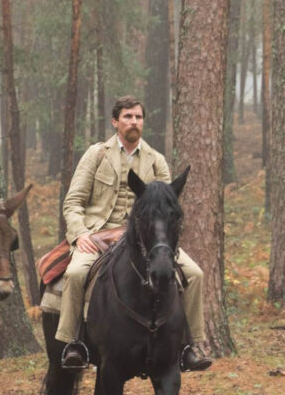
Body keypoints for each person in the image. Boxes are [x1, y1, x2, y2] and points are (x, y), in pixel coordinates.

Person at [56, 95, 212, 372]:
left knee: (195, 274)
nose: (134, 122)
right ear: (116, 122)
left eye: (138, 117)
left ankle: (189, 346)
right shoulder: (96, 155)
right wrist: (80, 235)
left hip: (144, 238)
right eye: (128, 117)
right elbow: (73, 202)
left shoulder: (156, 161)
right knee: (76, 273)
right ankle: (74, 342)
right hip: (98, 235)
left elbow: (168, 206)